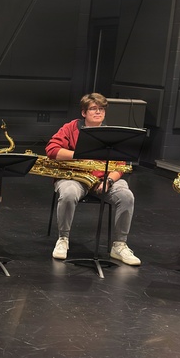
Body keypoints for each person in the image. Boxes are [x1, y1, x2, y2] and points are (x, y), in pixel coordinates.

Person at [45, 93, 141, 265]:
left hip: (104, 179)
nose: (98, 112)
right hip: (75, 177)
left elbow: (120, 164)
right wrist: (80, 156)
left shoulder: (110, 133)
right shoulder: (71, 128)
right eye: (93, 109)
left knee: (127, 196)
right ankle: (63, 239)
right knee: (68, 193)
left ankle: (119, 245)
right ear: (84, 112)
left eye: (101, 109)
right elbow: (51, 150)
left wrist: (109, 181)